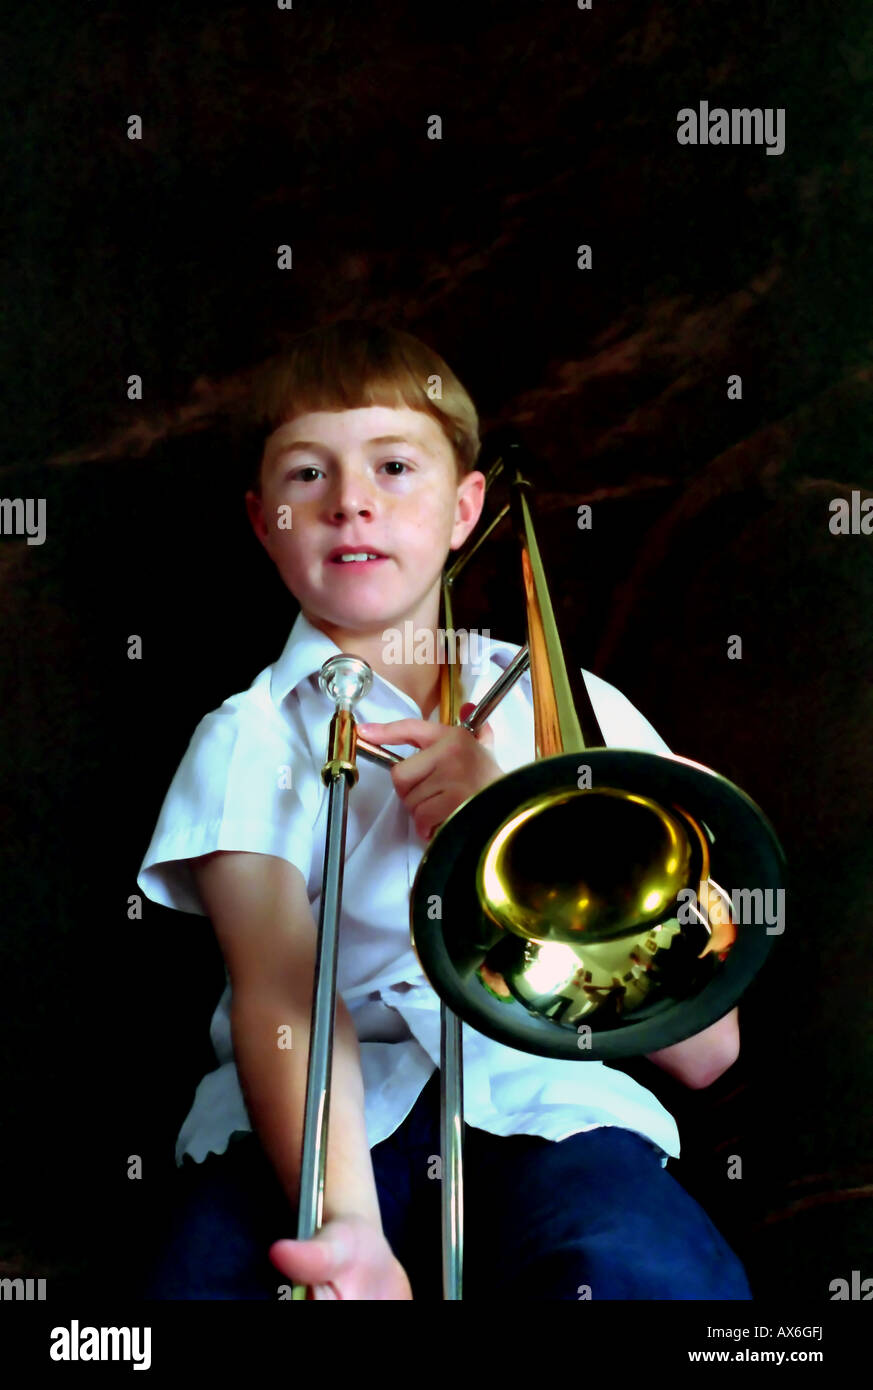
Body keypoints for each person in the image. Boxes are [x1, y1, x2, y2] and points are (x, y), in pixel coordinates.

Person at [136, 318, 751, 1301]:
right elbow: (283, 994)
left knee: (640, 1274)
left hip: (548, 1101)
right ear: (263, 523)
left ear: (467, 509)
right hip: (306, 1122)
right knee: (202, 1287)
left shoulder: (573, 712)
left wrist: (508, 815)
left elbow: (705, 1050)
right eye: (307, 476)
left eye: (393, 466)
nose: (350, 504)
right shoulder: (248, 734)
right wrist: (345, 1226)